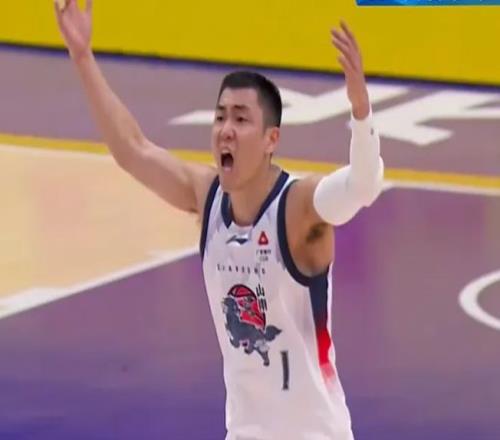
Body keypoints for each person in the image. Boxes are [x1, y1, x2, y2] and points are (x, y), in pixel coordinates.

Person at [54, 1, 384, 439]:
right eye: (220, 116)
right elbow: (133, 150)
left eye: (241, 119)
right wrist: (82, 56)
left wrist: (361, 112)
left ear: (271, 140)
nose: (226, 128)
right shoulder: (207, 197)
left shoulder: (298, 207)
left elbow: (363, 185)